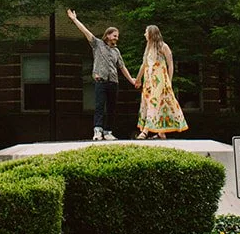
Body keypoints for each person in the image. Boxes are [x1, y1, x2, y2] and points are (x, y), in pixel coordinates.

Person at [66, 9, 136, 140]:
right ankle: (97, 130)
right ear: (108, 35)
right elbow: (85, 31)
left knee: (111, 108)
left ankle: (108, 131)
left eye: (117, 36)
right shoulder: (97, 44)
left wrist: (132, 80)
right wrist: (74, 19)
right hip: (101, 81)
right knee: (99, 106)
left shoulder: (116, 51)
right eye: (115, 35)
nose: (117, 38)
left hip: (113, 82)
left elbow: (122, 67)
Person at [134, 24, 187, 139]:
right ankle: (161, 132)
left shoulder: (163, 46)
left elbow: (170, 65)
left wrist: (169, 81)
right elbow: (144, 65)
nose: (144, 34)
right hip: (149, 80)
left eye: (146, 32)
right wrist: (138, 79)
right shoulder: (148, 48)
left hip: (160, 80)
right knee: (148, 103)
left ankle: (145, 131)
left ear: (151, 34)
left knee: (154, 102)